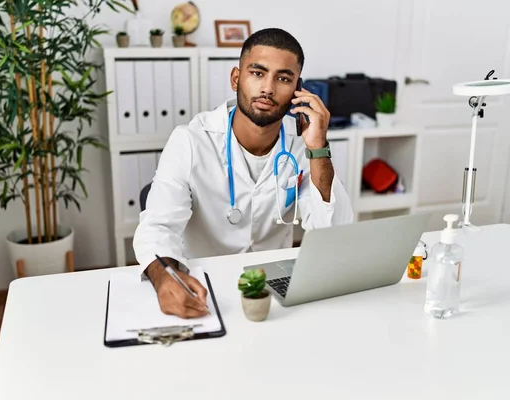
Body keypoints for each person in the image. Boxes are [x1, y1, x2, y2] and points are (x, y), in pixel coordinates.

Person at [133, 27, 354, 319]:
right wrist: (165, 278)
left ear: (297, 89)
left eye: (283, 78)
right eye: (258, 73)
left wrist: (319, 147)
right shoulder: (190, 140)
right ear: (236, 78)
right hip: (204, 286)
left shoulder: (305, 144)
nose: (268, 89)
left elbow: (334, 234)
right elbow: (157, 228)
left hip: (275, 288)